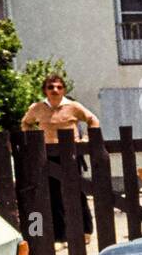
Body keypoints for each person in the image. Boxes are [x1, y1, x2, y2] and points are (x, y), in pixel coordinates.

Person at [20, 73, 97, 242]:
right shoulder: (37, 108)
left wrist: (86, 140)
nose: (55, 90)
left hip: (70, 155)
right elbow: (26, 122)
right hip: (48, 157)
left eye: (59, 87)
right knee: (53, 195)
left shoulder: (74, 106)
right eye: (51, 87)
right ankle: (60, 236)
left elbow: (92, 120)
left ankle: (86, 231)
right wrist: (32, 139)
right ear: (45, 90)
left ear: (64, 90)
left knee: (77, 191)